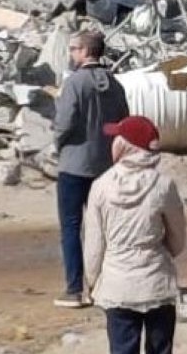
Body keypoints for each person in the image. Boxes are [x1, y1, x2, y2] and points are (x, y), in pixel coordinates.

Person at [79, 116, 187, 354]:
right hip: (155, 284)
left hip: (116, 286)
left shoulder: (100, 186)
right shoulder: (163, 185)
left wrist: (91, 282)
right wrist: (160, 251)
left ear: (125, 145)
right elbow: (178, 241)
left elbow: (94, 245)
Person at [53, 30, 130, 309]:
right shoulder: (115, 84)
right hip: (106, 166)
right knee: (107, 228)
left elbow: (64, 123)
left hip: (74, 165)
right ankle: (108, 285)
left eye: (74, 49)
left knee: (72, 227)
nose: (71, 54)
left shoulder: (75, 83)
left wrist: (57, 145)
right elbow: (123, 125)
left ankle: (75, 289)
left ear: (85, 51)